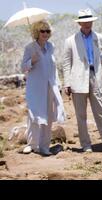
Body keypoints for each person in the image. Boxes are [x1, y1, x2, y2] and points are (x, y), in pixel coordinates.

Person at [62, 9, 102, 153]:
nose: (87, 23)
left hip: (95, 75)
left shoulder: (98, 37)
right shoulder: (71, 40)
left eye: (90, 20)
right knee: (81, 114)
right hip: (77, 79)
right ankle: (86, 144)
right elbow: (66, 62)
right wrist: (67, 83)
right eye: (84, 21)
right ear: (79, 23)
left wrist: (100, 60)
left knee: (101, 110)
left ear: (92, 21)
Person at [21, 20, 65, 156]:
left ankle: (44, 146)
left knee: (49, 116)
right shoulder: (30, 48)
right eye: (42, 31)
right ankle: (32, 144)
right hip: (35, 86)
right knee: (34, 115)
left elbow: (53, 67)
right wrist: (31, 61)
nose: (45, 33)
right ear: (37, 32)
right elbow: (23, 68)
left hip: (50, 86)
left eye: (47, 31)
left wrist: (58, 83)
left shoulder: (51, 46)